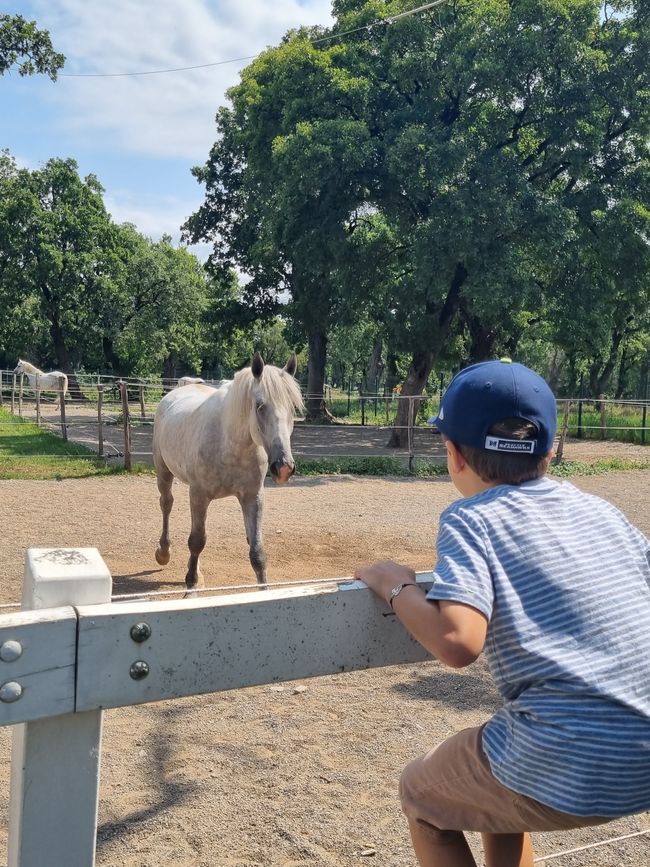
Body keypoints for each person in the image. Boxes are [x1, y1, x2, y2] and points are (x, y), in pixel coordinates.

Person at [355, 359, 650, 867]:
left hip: (573, 759)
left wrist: (395, 585)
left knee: (421, 795)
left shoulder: (471, 519)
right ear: (552, 449)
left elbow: (458, 641)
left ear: (452, 454)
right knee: (493, 785)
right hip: (644, 755)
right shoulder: (604, 512)